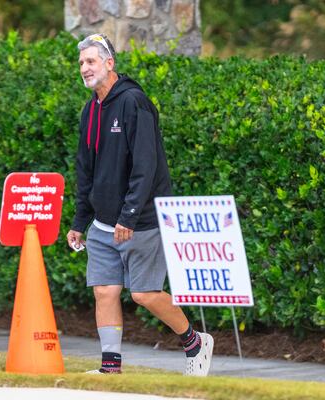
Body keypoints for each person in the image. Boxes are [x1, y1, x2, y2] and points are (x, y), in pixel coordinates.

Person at [66, 33, 213, 376]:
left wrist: (129, 215)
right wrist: (79, 221)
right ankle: (110, 368)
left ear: (109, 63)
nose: (85, 68)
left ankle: (194, 341)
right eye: (81, 63)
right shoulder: (91, 110)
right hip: (103, 223)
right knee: (104, 290)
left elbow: (146, 166)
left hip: (141, 220)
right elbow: (85, 171)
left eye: (90, 61)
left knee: (144, 294)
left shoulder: (135, 102)